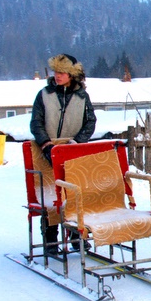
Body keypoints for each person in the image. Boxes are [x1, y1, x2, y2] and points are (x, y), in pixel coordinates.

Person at [30, 53, 96, 253]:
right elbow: (36, 122)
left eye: (63, 72)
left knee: (76, 196)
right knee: (50, 198)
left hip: (74, 151)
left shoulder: (82, 96)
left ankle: (77, 236)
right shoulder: (44, 94)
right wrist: (46, 144)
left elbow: (90, 122)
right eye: (56, 72)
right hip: (47, 151)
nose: (58, 76)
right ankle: (50, 241)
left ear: (72, 74)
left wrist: (77, 142)